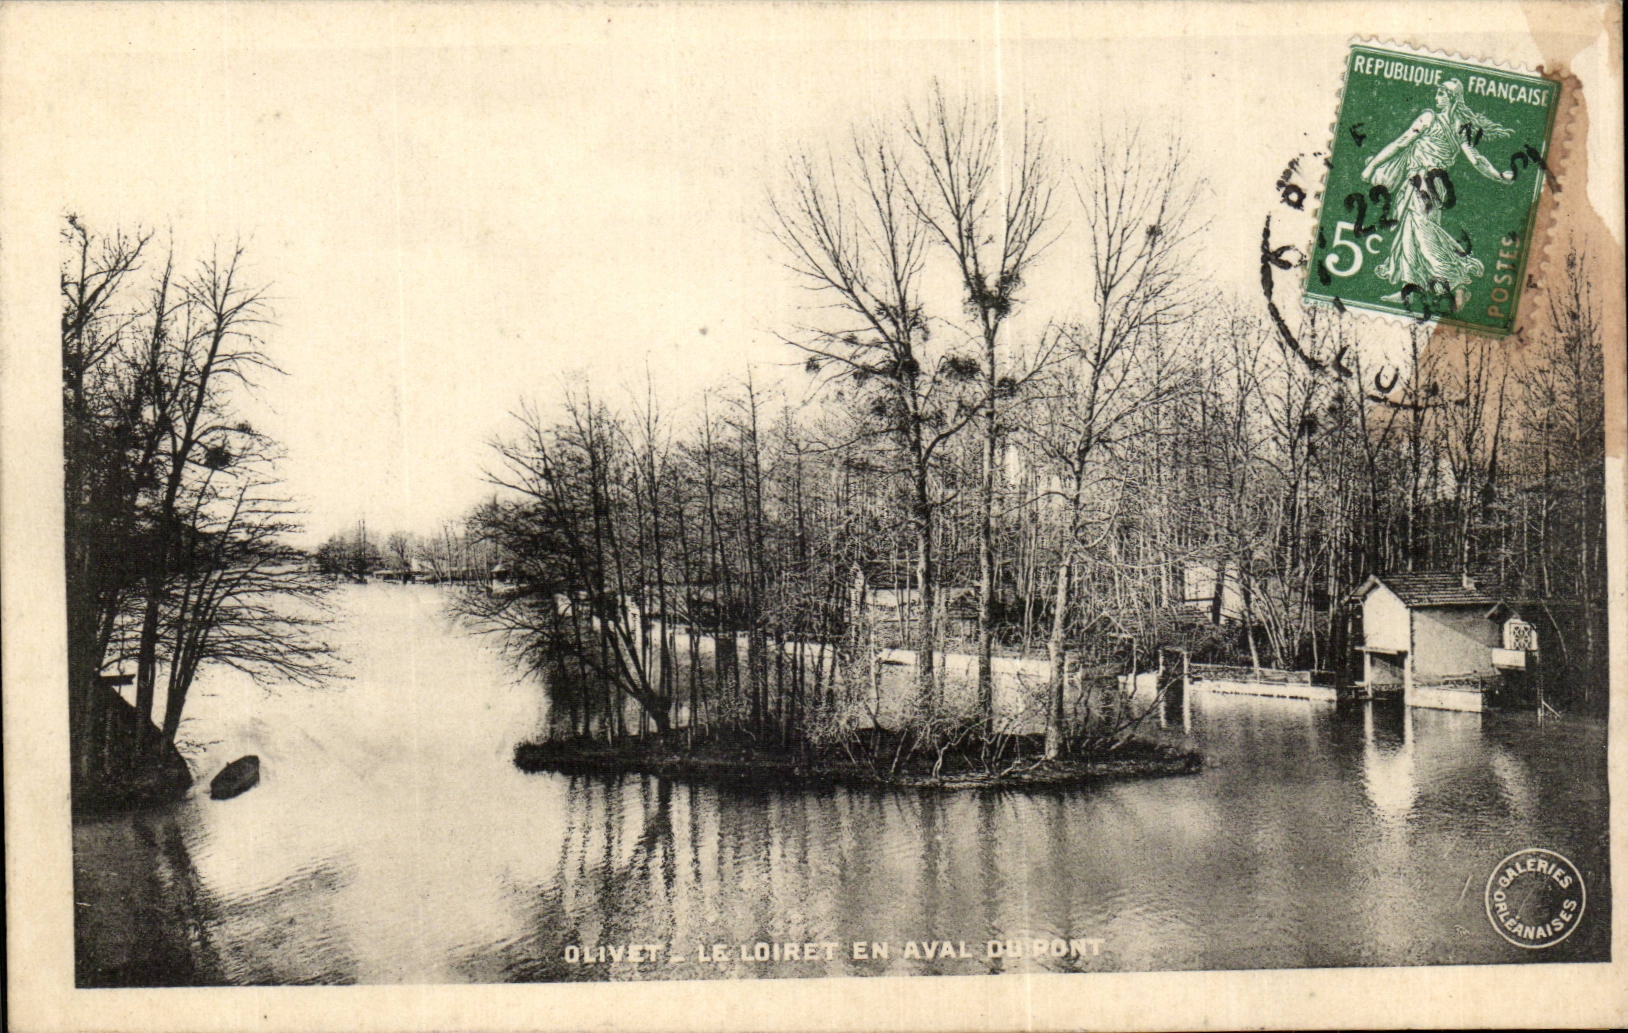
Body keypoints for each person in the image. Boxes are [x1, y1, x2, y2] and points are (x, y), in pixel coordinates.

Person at [1361, 78, 1516, 309]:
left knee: (1423, 232)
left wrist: (1373, 165)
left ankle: (1454, 280)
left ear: (1451, 98)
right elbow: (1476, 160)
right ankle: (1411, 289)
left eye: (1441, 94)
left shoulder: (1430, 118)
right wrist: (1499, 175)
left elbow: (1401, 143)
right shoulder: (1459, 127)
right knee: (1410, 232)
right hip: (1433, 186)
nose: (1436, 98)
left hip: (1424, 184)